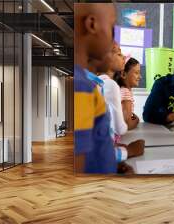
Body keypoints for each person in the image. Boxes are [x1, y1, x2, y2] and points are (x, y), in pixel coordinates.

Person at [74, 3, 132, 174]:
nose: (113, 41)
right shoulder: (81, 88)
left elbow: (92, 150)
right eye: (112, 28)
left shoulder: (87, 85)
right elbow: (77, 170)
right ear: (92, 24)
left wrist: (109, 162)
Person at [95, 43, 145, 159]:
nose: (123, 56)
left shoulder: (97, 82)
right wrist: (136, 119)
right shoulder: (112, 86)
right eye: (118, 53)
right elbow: (122, 127)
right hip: (107, 147)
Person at [114, 57, 141, 130]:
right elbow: (127, 125)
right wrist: (137, 120)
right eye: (136, 73)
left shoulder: (121, 90)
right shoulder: (126, 93)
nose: (140, 77)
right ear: (123, 74)